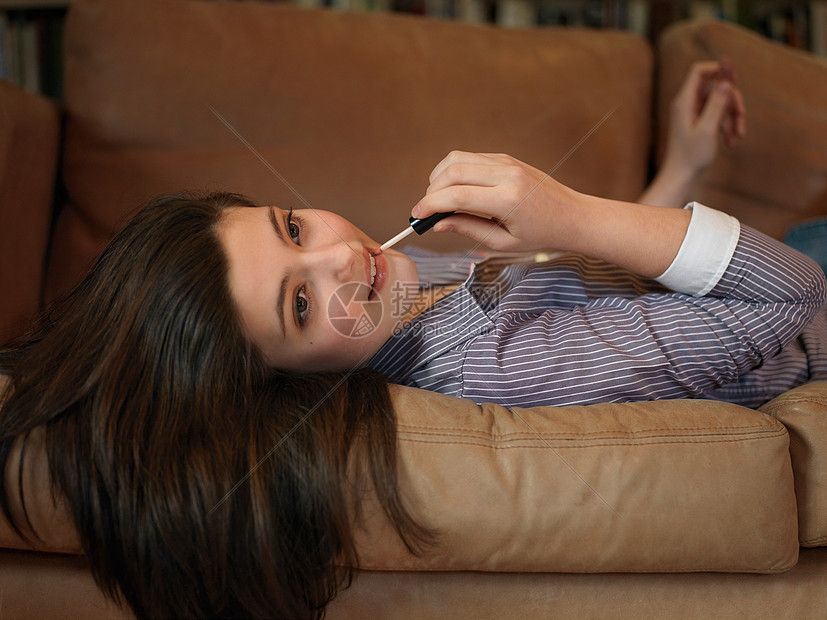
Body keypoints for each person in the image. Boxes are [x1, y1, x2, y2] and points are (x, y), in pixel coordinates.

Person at [0, 59, 822, 619]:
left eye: (291, 226)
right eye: (297, 305)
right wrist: (569, 211)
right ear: (286, 384)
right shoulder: (487, 364)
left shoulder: (401, 304)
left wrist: (680, 169)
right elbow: (793, 293)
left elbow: (614, 303)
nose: (337, 257)